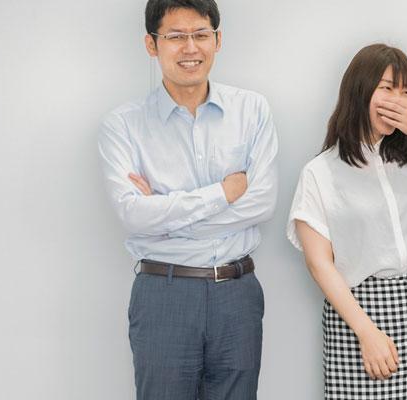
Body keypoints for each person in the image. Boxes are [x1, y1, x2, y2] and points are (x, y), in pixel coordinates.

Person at [97, 0, 278, 398]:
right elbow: (133, 215)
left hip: (237, 292)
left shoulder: (252, 110)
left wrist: (164, 216)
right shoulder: (123, 126)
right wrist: (223, 193)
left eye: (201, 35)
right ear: (152, 44)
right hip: (164, 292)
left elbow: (262, 203)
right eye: (176, 36)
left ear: (218, 40)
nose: (190, 48)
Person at [287, 43, 407, 399]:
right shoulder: (320, 172)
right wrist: (366, 332)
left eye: (406, 92)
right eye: (387, 88)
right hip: (360, 315)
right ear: (360, 90)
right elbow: (319, 264)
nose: (398, 100)